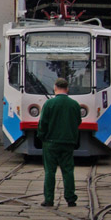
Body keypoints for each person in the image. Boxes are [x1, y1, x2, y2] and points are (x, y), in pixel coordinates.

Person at [36, 77, 80, 207]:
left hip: (51, 142)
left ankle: (49, 199)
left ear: (55, 88)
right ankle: (70, 198)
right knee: (68, 170)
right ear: (67, 89)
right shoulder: (74, 104)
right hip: (68, 142)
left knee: (50, 171)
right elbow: (78, 122)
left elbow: (43, 123)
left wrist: (42, 136)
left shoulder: (49, 104)